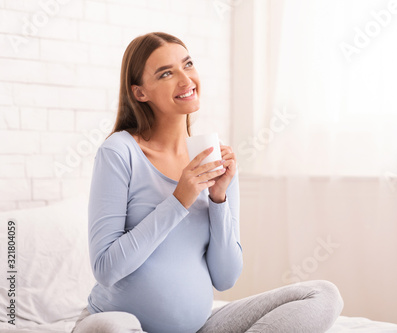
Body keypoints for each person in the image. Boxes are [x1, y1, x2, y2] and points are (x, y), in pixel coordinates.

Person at [71, 32, 344, 333]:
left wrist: (218, 200)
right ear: (139, 93)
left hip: (200, 326)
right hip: (118, 321)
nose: (185, 78)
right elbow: (107, 269)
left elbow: (225, 278)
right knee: (112, 328)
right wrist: (178, 201)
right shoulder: (120, 151)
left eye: (187, 64)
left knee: (323, 295)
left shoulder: (213, 160)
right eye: (165, 73)